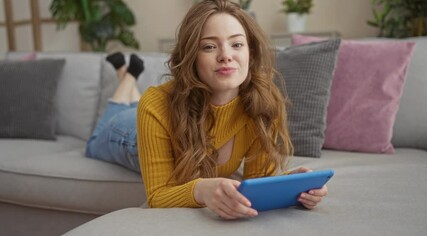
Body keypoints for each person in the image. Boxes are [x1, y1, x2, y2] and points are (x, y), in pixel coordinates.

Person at [86, 0, 328, 220]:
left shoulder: (263, 104)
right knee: (95, 140)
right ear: (192, 57)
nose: (226, 56)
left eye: (237, 44)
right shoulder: (155, 105)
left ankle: (126, 80)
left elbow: (257, 184)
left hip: (149, 115)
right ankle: (126, 81)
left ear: (250, 53)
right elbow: (157, 195)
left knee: (134, 104)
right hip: (126, 136)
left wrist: (293, 186)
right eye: (210, 47)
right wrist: (201, 189)